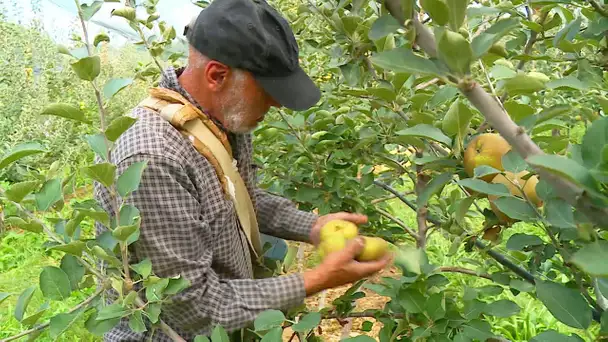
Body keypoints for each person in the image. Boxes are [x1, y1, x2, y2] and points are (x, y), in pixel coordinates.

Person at [94, 0, 391, 340]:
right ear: (217, 75)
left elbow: (237, 198)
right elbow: (195, 308)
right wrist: (316, 279)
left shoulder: (218, 120)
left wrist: (312, 227)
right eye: (268, 90)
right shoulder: (154, 157)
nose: (278, 103)